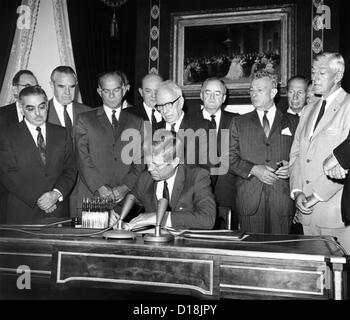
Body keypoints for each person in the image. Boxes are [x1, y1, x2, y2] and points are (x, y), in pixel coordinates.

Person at [289, 52, 350, 252]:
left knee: (341, 280)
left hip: (334, 214)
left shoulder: (348, 106)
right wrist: (297, 191)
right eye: (313, 72)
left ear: (338, 75)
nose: (314, 78)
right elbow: (296, 155)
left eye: (322, 73)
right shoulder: (308, 110)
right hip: (305, 212)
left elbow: (345, 161)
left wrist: (316, 195)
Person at [229, 70, 298, 234]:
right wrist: (254, 169)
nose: (253, 94)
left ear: (273, 92)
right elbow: (229, 159)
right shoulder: (238, 122)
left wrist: (292, 168)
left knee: (281, 253)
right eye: (251, 90)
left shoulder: (295, 122)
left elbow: (303, 158)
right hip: (249, 201)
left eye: (259, 90)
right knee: (251, 254)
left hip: (282, 201)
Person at [0, 86, 77, 224]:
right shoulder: (7, 135)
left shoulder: (62, 133)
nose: (38, 113)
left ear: (47, 105)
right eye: (30, 108)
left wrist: (55, 194)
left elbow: (70, 169)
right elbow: (8, 174)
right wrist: (40, 199)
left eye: (41, 107)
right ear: (21, 108)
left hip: (58, 212)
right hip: (23, 213)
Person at [75, 70, 145, 217]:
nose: (112, 95)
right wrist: (100, 187)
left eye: (116, 90)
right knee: (93, 240)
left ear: (124, 89)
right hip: (93, 196)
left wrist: (125, 187)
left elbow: (139, 160)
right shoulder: (84, 119)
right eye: (107, 91)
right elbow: (82, 158)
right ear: (99, 91)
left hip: (125, 199)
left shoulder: (136, 122)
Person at [114, 134, 216, 230]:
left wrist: (161, 217)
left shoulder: (197, 177)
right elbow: (131, 200)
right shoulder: (145, 178)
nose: (150, 169)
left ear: (175, 162)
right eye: (148, 163)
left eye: (156, 165)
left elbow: (208, 219)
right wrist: (112, 216)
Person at [194, 77, 238, 229]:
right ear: (201, 95)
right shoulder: (188, 121)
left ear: (224, 98)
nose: (212, 97)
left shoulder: (237, 121)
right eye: (208, 92)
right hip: (195, 195)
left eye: (217, 93)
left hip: (228, 193)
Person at [153, 80, 211, 166]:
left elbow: (210, 168)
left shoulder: (203, 127)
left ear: (180, 102)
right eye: (160, 106)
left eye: (169, 104)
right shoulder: (153, 130)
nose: (164, 111)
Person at [48, 66, 90, 137]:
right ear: (52, 86)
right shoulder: (42, 114)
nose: (67, 92)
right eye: (61, 86)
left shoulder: (88, 112)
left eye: (72, 86)